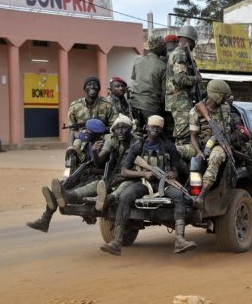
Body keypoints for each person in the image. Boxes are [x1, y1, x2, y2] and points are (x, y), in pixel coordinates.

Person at [100, 115, 197, 256]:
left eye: (158, 128)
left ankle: (180, 240)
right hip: (144, 183)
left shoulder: (169, 146)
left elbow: (176, 171)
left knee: (179, 195)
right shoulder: (138, 145)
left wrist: (171, 174)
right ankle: (116, 241)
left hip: (163, 184)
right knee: (126, 195)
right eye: (152, 127)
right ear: (146, 128)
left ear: (161, 130)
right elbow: (124, 171)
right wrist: (144, 174)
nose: (154, 131)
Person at [26, 119, 108, 233]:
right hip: (87, 173)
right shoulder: (88, 141)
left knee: (76, 189)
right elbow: (75, 134)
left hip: (98, 177)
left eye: (88, 131)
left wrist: (94, 152)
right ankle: (47, 216)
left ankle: (61, 199)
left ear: (96, 134)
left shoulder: (103, 145)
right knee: (64, 184)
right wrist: (71, 147)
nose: (85, 132)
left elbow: (99, 163)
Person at [52, 115, 136, 211]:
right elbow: (99, 160)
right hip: (113, 176)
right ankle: (67, 195)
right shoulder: (111, 140)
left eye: (123, 128)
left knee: (120, 187)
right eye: (117, 128)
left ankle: (106, 200)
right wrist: (94, 152)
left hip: (128, 177)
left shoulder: (136, 142)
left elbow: (102, 165)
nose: (120, 131)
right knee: (93, 184)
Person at [188, 79, 232, 209]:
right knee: (178, 152)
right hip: (201, 145)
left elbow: (228, 129)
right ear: (217, 95)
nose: (227, 97)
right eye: (224, 95)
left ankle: (202, 195)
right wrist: (199, 152)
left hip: (219, 143)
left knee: (216, 157)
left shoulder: (225, 108)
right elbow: (193, 136)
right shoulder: (195, 112)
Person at [165, 25, 203, 146]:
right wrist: (196, 79)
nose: (194, 45)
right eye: (194, 42)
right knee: (183, 135)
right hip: (179, 100)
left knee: (182, 133)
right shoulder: (180, 54)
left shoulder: (182, 53)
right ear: (190, 40)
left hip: (180, 100)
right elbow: (180, 78)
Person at [67, 76, 117, 163]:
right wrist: (70, 146)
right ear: (85, 89)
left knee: (111, 138)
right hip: (84, 135)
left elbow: (115, 125)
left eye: (95, 85)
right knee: (76, 144)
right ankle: (84, 164)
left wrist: (100, 129)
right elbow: (72, 129)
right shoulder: (75, 106)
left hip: (102, 135)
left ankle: (99, 161)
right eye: (89, 84)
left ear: (99, 88)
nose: (92, 87)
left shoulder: (107, 104)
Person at [130, 35, 167, 133]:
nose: (165, 48)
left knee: (137, 133)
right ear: (158, 48)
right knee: (154, 135)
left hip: (134, 104)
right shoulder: (163, 66)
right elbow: (164, 94)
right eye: (164, 46)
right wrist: (163, 111)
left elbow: (134, 79)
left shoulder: (137, 61)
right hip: (150, 106)